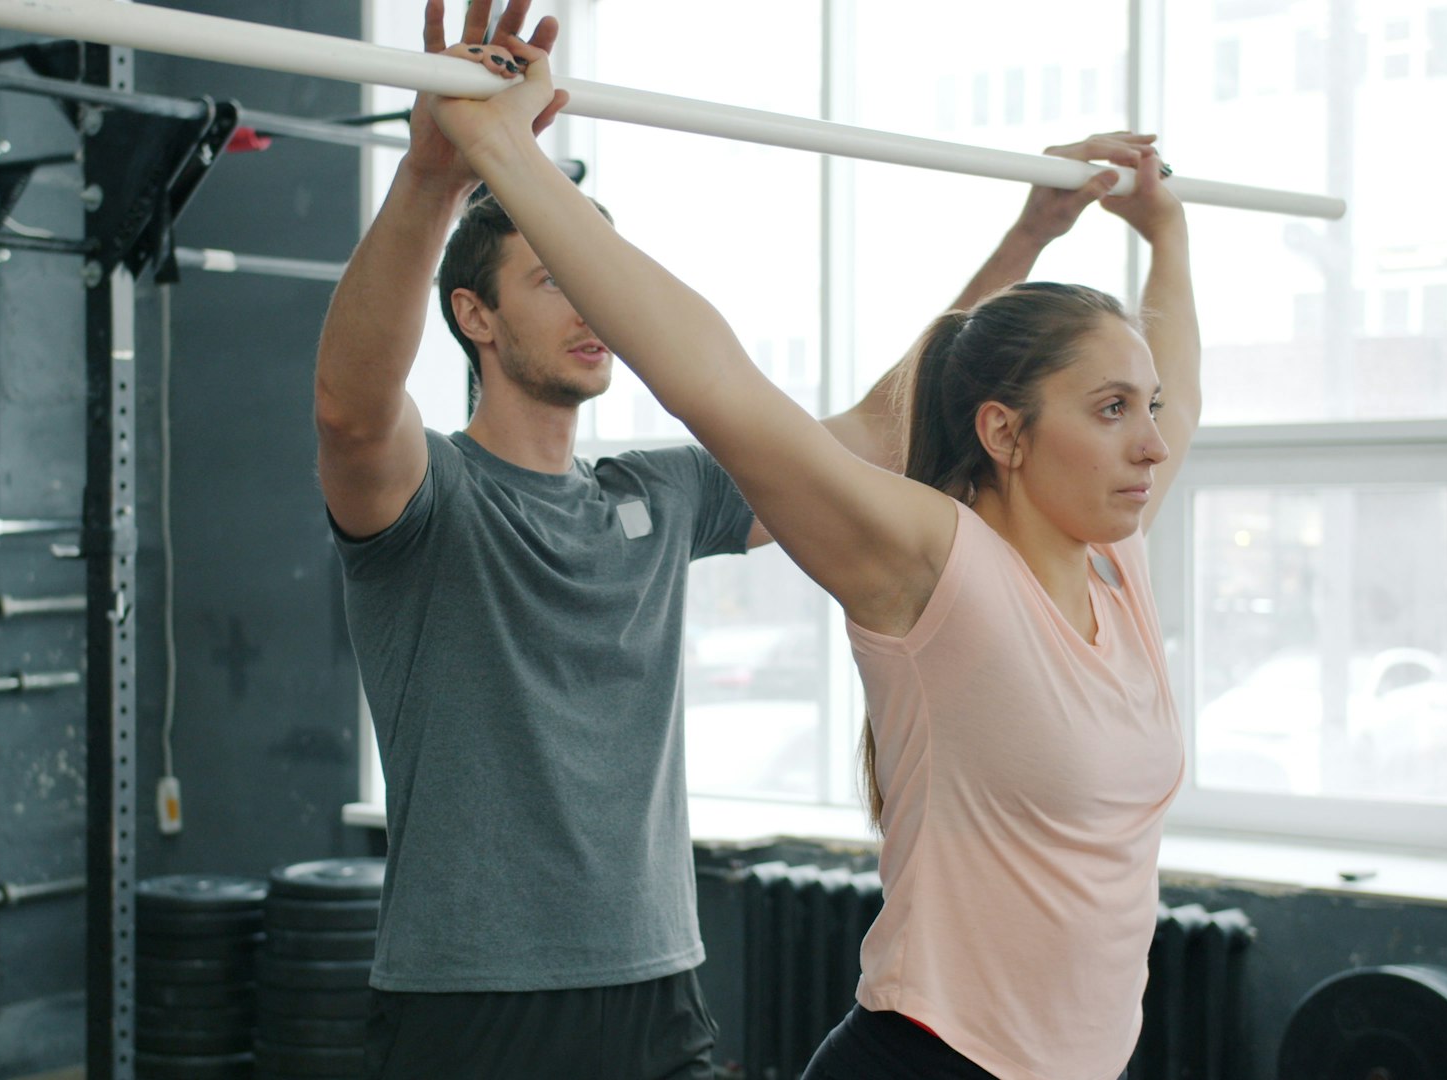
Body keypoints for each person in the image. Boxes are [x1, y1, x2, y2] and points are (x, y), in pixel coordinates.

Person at [317, 4, 1157, 1076]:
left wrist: (1031, 235)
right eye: (551, 275)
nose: (592, 301)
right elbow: (349, 409)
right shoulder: (429, 500)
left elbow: (869, 436)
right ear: (475, 316)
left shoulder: (658, 495)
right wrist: (435, 173)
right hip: (473, 996)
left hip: (656, 985)